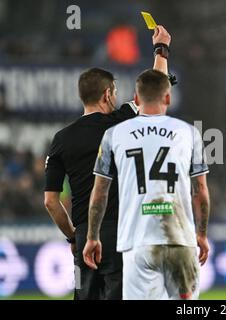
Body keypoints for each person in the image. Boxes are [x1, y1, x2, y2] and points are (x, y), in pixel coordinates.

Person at [44, 25, 172, 300]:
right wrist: (161, 49)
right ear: (106, 95)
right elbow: (155, 91)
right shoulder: (121, 122)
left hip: (83, 236)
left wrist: (73, 237)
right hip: (121, 233)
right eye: (113, 92)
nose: (115, 97)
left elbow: (51, 202)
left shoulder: (61, 139)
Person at [82, 69, 210, 300]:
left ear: (137, 98)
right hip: (180, 240)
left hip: (136, 241)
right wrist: (200, 234)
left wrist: (92, 237)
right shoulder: (189, 133)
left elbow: (99, 192)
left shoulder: (113, 135)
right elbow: (200, 190)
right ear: (168, 98)